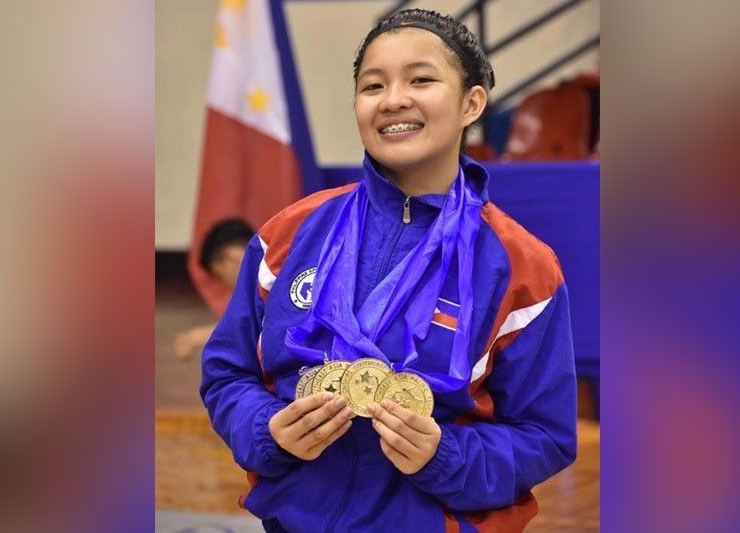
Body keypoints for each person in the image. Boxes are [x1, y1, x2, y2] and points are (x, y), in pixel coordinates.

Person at [201, 9, 576, 532]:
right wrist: (267, 431)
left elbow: (545, 435)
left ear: (472, 103)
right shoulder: (288, 234)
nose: (394, 99)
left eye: (421, 79)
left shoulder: (523, 267)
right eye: (372, 85)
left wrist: (445, 455)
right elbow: (227, 371)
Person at [173, 218, 254, 360]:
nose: (230, 287)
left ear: (230, 259)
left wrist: (200, 336)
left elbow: (263, 330)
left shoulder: (276, 276)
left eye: (221, 277)